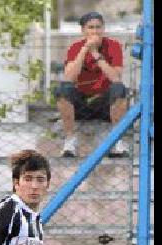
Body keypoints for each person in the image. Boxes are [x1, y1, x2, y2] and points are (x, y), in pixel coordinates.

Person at [56, 11, 129, 158]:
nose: (95, 31)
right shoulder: (75, 48)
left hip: (105, 104)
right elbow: (68, 77)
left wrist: (96, 54)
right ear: (83, 30)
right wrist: (85, 50)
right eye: (91, 27)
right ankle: (70, 141)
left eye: (98, 27)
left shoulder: (113, 46)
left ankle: (117, 141)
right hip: (81, 103)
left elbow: (115, 77)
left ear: (103, 29)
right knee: (62, 89)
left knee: (119, 89)